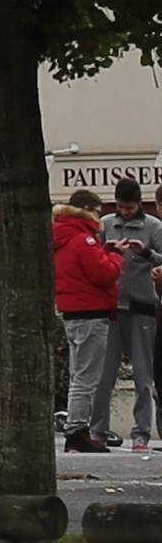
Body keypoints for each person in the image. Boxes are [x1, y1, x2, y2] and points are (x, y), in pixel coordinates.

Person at [61, 191, 126, 452]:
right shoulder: (83, 239)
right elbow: (103, 274)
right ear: (87, 210)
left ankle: (75, 429)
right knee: (87, 378)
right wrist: (116, 257)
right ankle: (77, 432)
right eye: (98, 211)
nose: (100, 217)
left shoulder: (64, 236)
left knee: (77, 375)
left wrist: (104, 251)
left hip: (73, 313)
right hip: (91, 313)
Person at [105, 179, 162, 448]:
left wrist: (147, 253)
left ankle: (141, 434)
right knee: (104, 376)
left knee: (143, 376)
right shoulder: (106, 224)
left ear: (139, 203)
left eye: (129, 207)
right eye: (120, 207)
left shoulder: (154, 226)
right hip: (113, 307)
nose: (124, 212)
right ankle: (98, 431)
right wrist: (107, 251)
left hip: (143, 307)